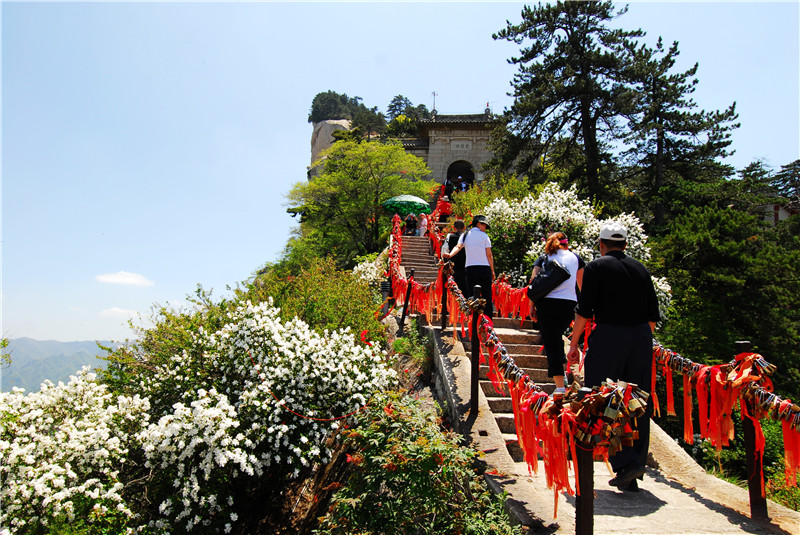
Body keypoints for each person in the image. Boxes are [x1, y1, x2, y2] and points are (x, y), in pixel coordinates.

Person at [566, 221, 660, 493]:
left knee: (602, 397)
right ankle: (632, 464)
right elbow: (652, 317)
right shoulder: (641, 269)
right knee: (637, 401)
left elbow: (585, 310)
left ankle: (602, 459)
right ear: (626, 245)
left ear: (601, 245)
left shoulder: (596, 267)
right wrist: (638, 340)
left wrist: (573, 345)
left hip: (609, 336)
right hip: (641, 337)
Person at [528, 232, 584, 395]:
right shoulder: (576, 258)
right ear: (567, 244)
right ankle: (563, 377)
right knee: (557, 339)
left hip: (547, 304)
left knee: (551, 344)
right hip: (568, 305)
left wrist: (532, 306)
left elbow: (534, 283)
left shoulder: (544, 258)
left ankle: (560, 387)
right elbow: (582, 286)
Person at [443, 215, 495, 319]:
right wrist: (492, 270)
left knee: (472, 295)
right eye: (484, 225)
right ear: (478, 224)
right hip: (484, 268)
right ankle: (488, 321)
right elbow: (489, 255)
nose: (485, 227)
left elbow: (458, 247)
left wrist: (450, 255)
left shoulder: (465, 235)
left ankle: (474, 320)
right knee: (487, 295)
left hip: (471, 268)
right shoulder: (485, 236)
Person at [441, 220, 468, 296]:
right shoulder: (467, 237)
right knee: (465, 290)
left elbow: (444, 250)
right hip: (465, 266)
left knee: (453, 288)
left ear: (453, 227)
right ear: (464, 227)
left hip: (453, 267)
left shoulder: (450, 236)